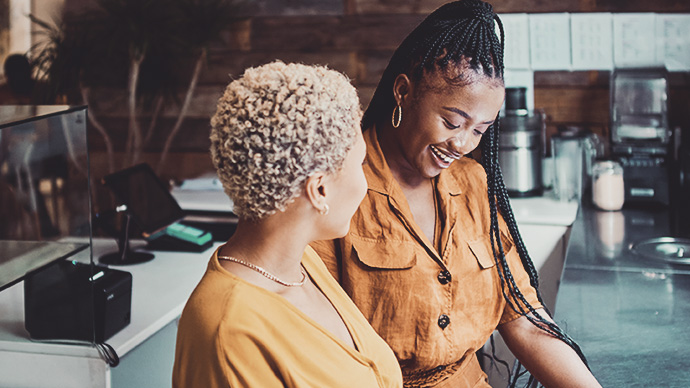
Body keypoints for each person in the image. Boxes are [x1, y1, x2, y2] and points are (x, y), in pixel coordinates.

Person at [310, 1, 602, 387]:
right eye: (451, 122)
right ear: (403, 92)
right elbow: (313, 343)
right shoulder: (340, 188)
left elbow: (525, 321)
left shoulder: (474, 184)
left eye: (480, 130)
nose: (462, 143)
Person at [172, 61, 403, 388]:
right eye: (361, 164)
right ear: (319, 188)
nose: (366, 184)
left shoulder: (301, 262)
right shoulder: (231, 332)